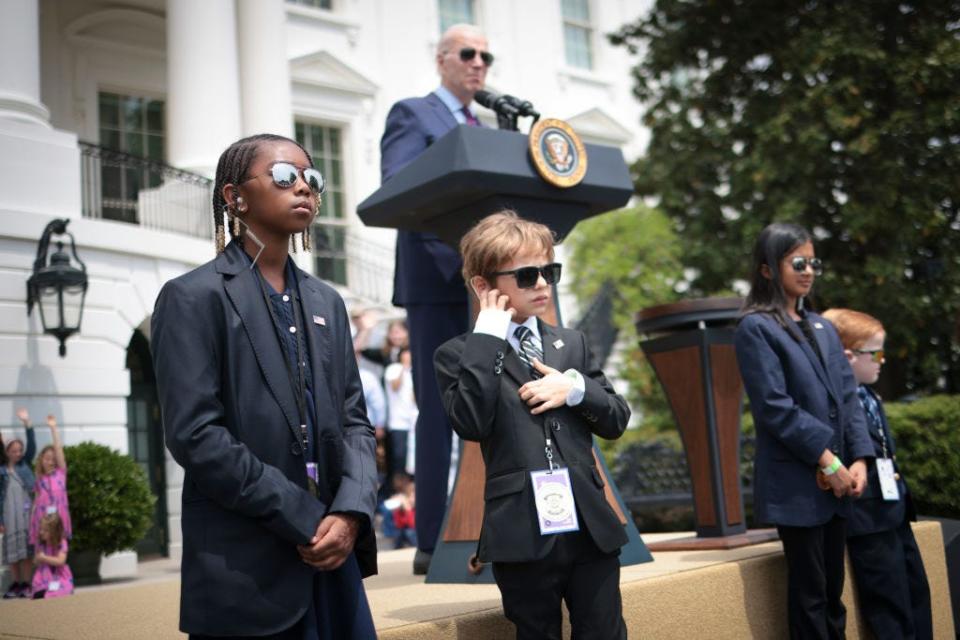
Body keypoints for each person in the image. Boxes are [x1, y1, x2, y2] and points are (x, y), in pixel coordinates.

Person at [151, 133, 378, 639]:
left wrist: (350, 513)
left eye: (311, 178)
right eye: (283, 176)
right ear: (235, 197)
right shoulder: (192, 298)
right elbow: (196, 435)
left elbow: (355, 421)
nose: (303, 187)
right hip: (248, 569)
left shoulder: (327, 302)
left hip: (333, 560)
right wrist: (303, 516)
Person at [434, 211, 631, 640]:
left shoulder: (572, 343)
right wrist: (487, 336)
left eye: (549, 270)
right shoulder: (458, 354)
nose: (542, 283)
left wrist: (575, 388)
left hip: (588, 525)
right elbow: (470, 422)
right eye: (527, 274)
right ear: (483, 285)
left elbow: (616, 419)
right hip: (521, 530)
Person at [380, 23, 492, 574]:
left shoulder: (486, 125)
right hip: (437, 281)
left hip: (489, 287)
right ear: (442, 60)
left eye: (486, 57)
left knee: (493, 400)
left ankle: (493, 523)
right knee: (439, 408)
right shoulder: (412, 113)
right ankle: (429, 539)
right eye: (468, 53)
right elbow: (399, 184)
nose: (478, 63)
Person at [734, 222, 874, 639]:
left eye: (813, 261)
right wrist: (829, 460)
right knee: (810, 593)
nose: (808, 270)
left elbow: (847, 399)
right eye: (798, 262)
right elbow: (775, 408)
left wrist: (861, 459)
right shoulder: (755, 328)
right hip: (797, 482)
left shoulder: (824, 328)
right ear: (766, 269)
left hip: (839, 478)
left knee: (833, 590)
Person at [821, 308, 933, 639]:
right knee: (890, 605)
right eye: (876, 352)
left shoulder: (869, 395)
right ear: (847, 356)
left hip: (894, 510)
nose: (882, 360)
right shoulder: (835, 404)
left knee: (916, 594)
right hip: (867, 518)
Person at [1, 409, 36, 598]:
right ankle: (16, 584)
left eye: (19, 450)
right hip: (9, 515)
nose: (18, 453)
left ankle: (27, 583)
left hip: (26, 514)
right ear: (7, 452)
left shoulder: (25, 464)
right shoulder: (1, 471)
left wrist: (27, 423)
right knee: (12, 552)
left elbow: (32, 446)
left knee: (27, 552)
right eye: (13, 450)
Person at [29, 414, 71, 550]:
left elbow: (58, 450)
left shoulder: (61, 472)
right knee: (42, 549)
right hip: (42, 517)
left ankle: (58, 571)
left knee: (59, 548)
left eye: (53, 459)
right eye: (47, 458)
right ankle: (44, 571)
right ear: (41, 459)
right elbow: (36, 500)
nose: (50, 461)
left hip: (58, 515)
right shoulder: (39, 477)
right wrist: (32, 520)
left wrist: (53, 429)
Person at [384, 347, 417, 481]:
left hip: (414, 421)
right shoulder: (393, 369)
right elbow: (395, 386)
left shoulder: (416, 371)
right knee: (399, 457)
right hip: (398, 422)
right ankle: (397, 488)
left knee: (413, 460)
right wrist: (404, 368)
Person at [31, 512, 73, 599]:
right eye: (41, 529)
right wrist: (37, 559)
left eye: (45, 530)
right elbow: (35, 562)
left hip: (59, 575)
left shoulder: (61, 543)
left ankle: (50, 592)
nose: (41, 532)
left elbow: (61, 561)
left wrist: (44, 558)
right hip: (44, 575)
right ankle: (43, 590)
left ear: (55, 531)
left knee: (62, 588)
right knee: (38, 589)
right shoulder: (42, 544)